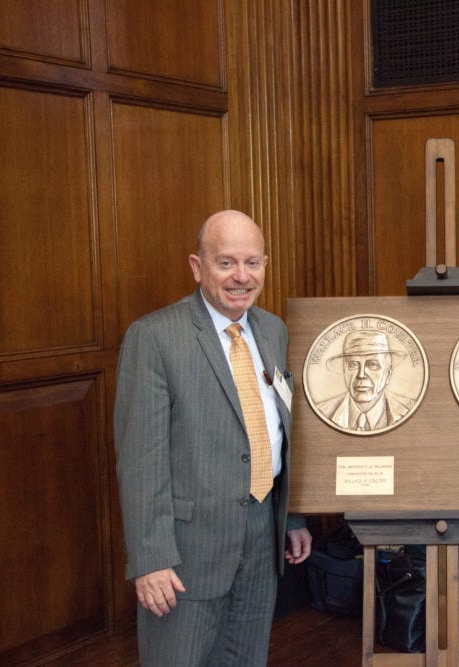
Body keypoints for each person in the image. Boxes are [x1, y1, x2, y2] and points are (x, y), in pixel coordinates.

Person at [115, 209, 312, 665]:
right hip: (186, 552)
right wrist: (150, 559)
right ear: (197, 266)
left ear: (265, 264)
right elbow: (140, 459)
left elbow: (282, 431)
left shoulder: (273, 330)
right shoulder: (155, 337)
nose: (241, 277)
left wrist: (295, 517)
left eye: (253, 263)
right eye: (226, 263)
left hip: (263, 538)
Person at [316, 329, 414, 431]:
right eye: (353, 365)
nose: (361, 375)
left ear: (388, 374)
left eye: (372, 364)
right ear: (344, 371)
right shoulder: (323, 410)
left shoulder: (406, 409)